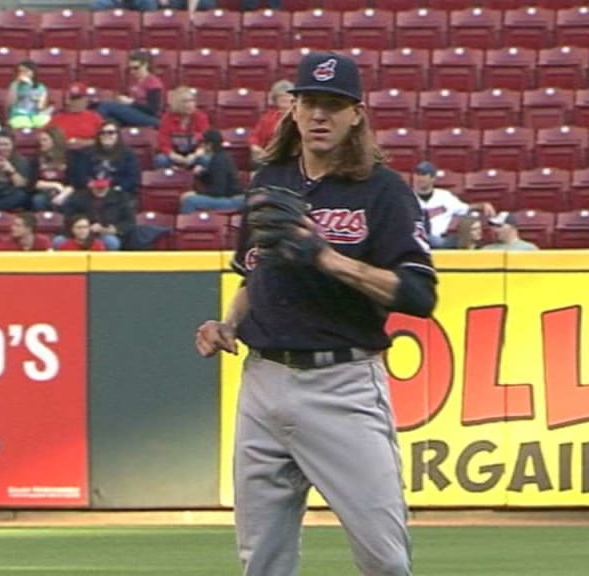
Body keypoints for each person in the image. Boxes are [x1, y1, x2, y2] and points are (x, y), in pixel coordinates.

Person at [194, 52, 437, 576]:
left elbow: (419, 296)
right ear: (293, 110)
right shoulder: (269, 183)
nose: (319, 115)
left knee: (384, 559)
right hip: (262, 381)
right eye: (309, 103)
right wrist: (228, 324)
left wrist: (328, 259)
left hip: (342, 384)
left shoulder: (383, 191)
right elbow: (253, 274)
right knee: (261, 562)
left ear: (356, 114)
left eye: (333, 104)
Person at [413, 161, 494, 248]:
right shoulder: (406, 197)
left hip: (440, 240)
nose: (419, 178)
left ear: (433, 178)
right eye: (417, 174)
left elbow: (465, 208)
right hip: (415, 238)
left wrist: (482, 205)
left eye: (423, 175)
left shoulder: (444, 196)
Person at [70, 121, 140, 200]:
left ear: (118, 135)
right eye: (102, 133)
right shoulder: (86, 153)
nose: (106, 135)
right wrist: (90, 185)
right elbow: (80, 175)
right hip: (90, 193)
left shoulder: (128, 154)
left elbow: (131, 178)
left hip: (117, 192)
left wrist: (116, 189)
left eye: (111, 132)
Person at [94, 51, 165, 129]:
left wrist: (131, 103)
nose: (133, 71)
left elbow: (153, 110)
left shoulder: (153, 82)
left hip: (150, 118)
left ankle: (93, 132)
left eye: (136, 68)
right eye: (131, 68)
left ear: (145, 65)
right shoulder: (134, 81)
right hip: (134, 113)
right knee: (111, 120)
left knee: (106, 106)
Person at [59, 177, 133, 251]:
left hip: (104, 233)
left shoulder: (120, 197)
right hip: (78, 231)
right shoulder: (79, 197)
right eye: (97, 188)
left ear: (108, 186)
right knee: (59, 241)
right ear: (91, 185)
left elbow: (129, 221)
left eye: (103, 188)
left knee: (112, 242)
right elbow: (69, 217)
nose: (100, 190)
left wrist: (115, 229)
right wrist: (86, 225)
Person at [179, 129, 243, 213]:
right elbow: (214, 179)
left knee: (189, 201)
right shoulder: (220, 156)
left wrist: (197, 193)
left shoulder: (219, 160)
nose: (201, 146)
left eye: (203, 143)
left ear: (209, 145)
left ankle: (187, 224)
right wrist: (201, 174)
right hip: (230, 197)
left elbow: (218, 191)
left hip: (232, 201)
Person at [155, 86, 210, 170]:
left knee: (207, 159)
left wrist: (195, 155)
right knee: (161, 160)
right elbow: (163, 144)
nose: (190, 104)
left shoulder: (200, 117)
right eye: (185, 102)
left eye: (192, 101)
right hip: (175, 155)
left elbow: (206, 141)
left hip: (194, 155)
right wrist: (175, 157)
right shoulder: (167, 119)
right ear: (177, 104)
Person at [46, 82, 104, 148]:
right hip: (64, 153)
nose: (74, 102)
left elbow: (105, 138)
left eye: (78, 98)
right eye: (72, 98)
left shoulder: (95, 117)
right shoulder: (57, 118)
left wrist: (85, 143)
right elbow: (44, 138)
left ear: (85, 99)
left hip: (88, 152)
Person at [249, 79, 294, 164]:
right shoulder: (268, 117)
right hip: (268, 156)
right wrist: (256, 148)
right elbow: (254, 137)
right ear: (275, 100)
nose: (285, 99)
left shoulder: (299, 117)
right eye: (281, 97)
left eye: (287, 96)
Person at [30, 126, 74, 211]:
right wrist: (55, 185)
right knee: (38, 200)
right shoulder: (37, 158)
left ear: (55, 141)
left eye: (45, 140)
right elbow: (33, 183)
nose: (41, 143)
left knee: (67, 202)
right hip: (44, 192)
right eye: (40, 140)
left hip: (65, 192)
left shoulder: (69, 157)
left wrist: (62, 195)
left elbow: (74, 183)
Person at [6, 60, 51, 130]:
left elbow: (40, 107)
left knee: (45, 121)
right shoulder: (14, 85)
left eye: (26, 71)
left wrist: (31, 88)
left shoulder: (40, 87)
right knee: (22, 123)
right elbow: (10, 103)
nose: (22, 73)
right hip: (18, 114)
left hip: (34, 114)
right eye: (20, 71)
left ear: (33, 73)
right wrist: (16, 84)